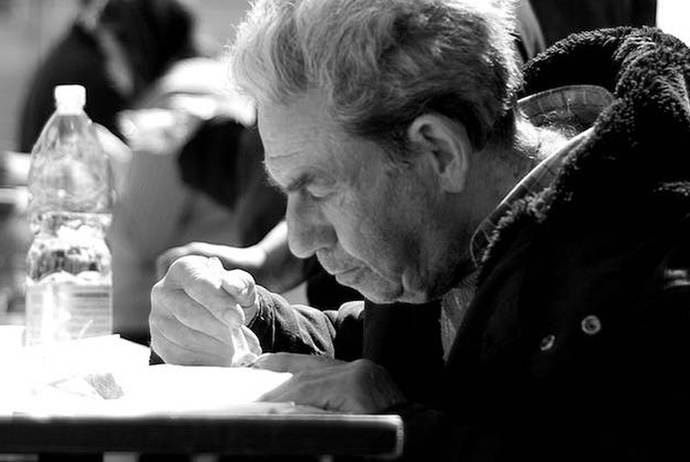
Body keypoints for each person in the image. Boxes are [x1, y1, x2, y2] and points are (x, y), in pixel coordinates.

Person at [150, 0, 690, 460]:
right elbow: (397, 352)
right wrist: (247, 324)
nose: (298, 240)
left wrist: (401, 431)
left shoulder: (659, 270)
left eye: (318, 189)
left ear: (439, 152)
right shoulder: (444, 242)